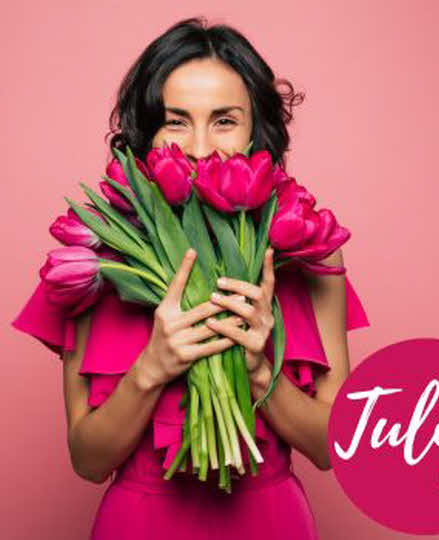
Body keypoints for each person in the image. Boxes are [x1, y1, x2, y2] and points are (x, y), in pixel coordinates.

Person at [11, 16, 370, 540]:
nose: (200, 149)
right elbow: (87, 460)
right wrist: (151, 368)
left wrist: (258, 372)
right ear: (145, 130)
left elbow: (332, 450)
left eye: (224, 121)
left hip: (270, 523)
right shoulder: (94, 262)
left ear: (258, 131)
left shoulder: (309, 252)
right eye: (176, 121)